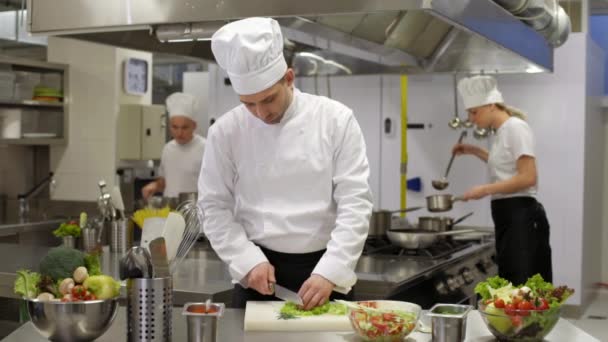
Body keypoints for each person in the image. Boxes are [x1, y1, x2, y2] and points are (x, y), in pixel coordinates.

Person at [198, 17, 373, 310]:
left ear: (289, 78)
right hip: (258, 274)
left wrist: (330, 271)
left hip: (325, 270)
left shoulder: (336, 120)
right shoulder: (226, 132)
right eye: (248, 103)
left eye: (268, 99)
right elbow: (213, 206)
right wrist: (245, 260)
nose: (260, 113)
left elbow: (356, 202)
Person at [453, 75, 552, 285]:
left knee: (524, 286)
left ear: (490, 106)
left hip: (521, 215)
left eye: (474, 112)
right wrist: (473, 150)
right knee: (513, 283)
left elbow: (528, 176)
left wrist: (485, 189)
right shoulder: (502, 132)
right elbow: (504, 166)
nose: (471, 118)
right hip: (508, 215)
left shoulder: (516, 127)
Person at [141, 92, 206, 199]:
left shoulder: (205, 148)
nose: (179, 133)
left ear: (194, 126)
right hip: (170, 208)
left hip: (194, 209)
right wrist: (155, 185)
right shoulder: (168, 149)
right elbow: (164, 181)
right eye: (175, 127)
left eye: (184, 127)